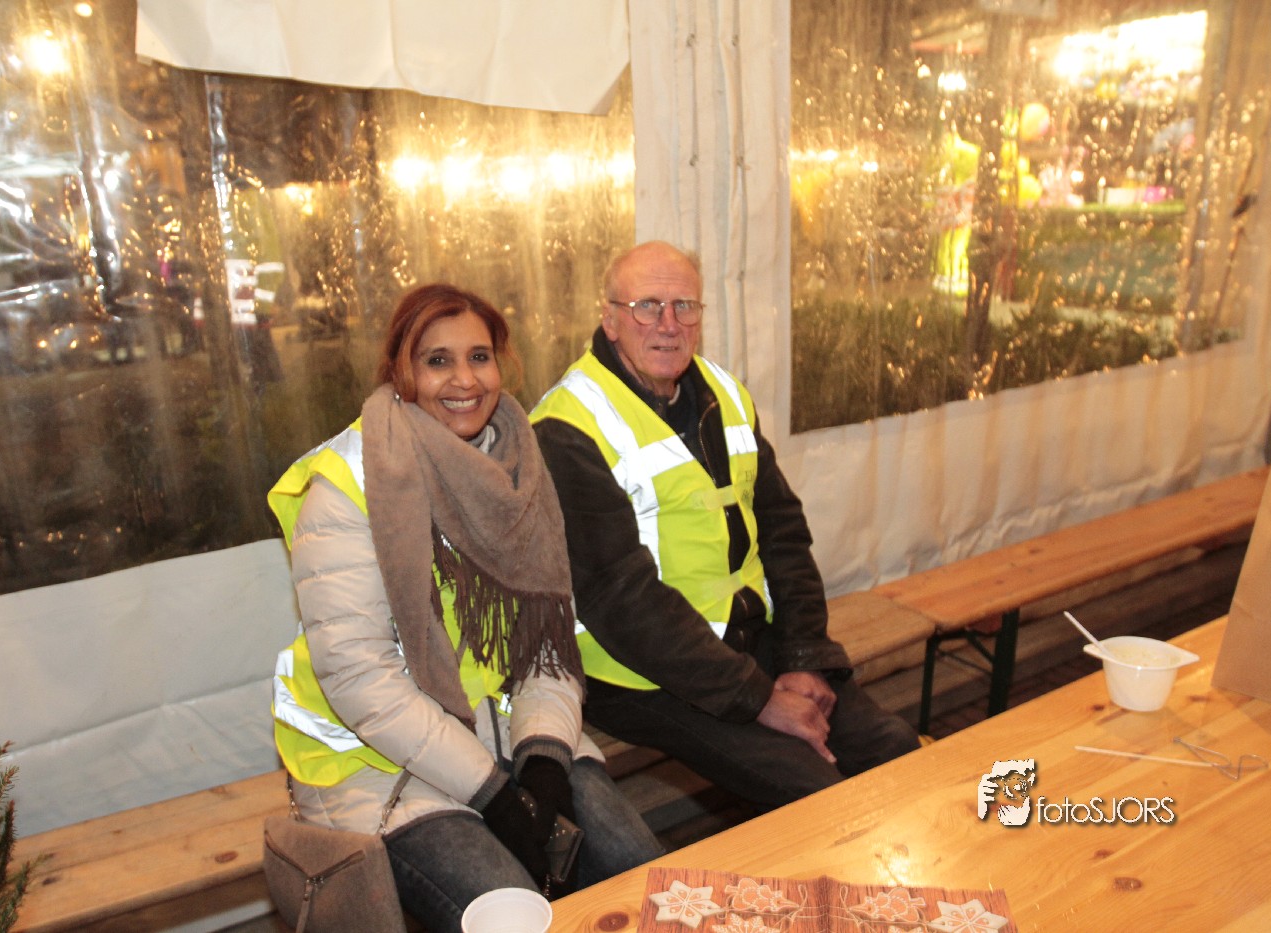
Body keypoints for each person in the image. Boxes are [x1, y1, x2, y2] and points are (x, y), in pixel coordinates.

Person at [268, 283, 663, 933]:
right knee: (517, 915)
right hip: (378, 765)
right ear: (400, 371)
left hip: (504, 733)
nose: (464, 380)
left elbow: (547, 641)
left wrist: (544, 761)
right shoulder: (345, 488)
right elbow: (359, 678)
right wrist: (496, 795)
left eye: (479, 357)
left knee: (646, 883)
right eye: (437, 360)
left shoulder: (518, 463)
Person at [531, 241, 921, 812]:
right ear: (610, 320)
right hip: (642, 673)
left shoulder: (724, 393)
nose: (669, 324)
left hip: (747, 643)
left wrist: (804, 656)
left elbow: (783, 531)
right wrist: (758, 699)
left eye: (685, 306)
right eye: (647, 306)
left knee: (897, 750)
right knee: (819, 798)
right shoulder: (567, 427)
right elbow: (621, 600)